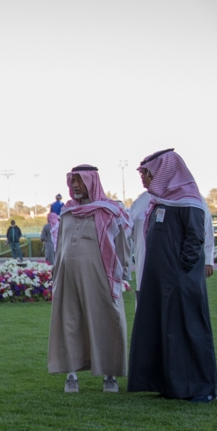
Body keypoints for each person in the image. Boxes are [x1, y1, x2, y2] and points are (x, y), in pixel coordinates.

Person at [128, 149, 217, 402]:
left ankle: (200, 388)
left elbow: (194, 239)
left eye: (147, 173)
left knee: (189, 330)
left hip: (180, 280)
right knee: (164, 330)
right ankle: (169, 385)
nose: (144, 178)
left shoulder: (189, 200)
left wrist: (180, 272)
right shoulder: (158, 202)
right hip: (160, 281)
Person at [48, 165, 131, 393]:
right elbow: (59, 248)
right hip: (67, 279)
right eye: (72, 181)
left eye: (80, 181)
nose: (75, 186)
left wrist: (121, 276)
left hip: (101, 278)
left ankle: (110, 376)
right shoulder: (67, 212)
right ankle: (71, 374)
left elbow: (123, 247)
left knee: (107, 321)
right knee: (70, 322)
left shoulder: (108, 211)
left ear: (92, 183)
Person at [129, 181, 214, 303]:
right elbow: (130, 230)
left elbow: (204, 227)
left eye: (146, 172)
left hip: (176, 264)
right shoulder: (141, 200)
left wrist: (208, 259)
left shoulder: (189, 196)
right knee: (146, 304)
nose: (142, 177)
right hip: (144, 262)